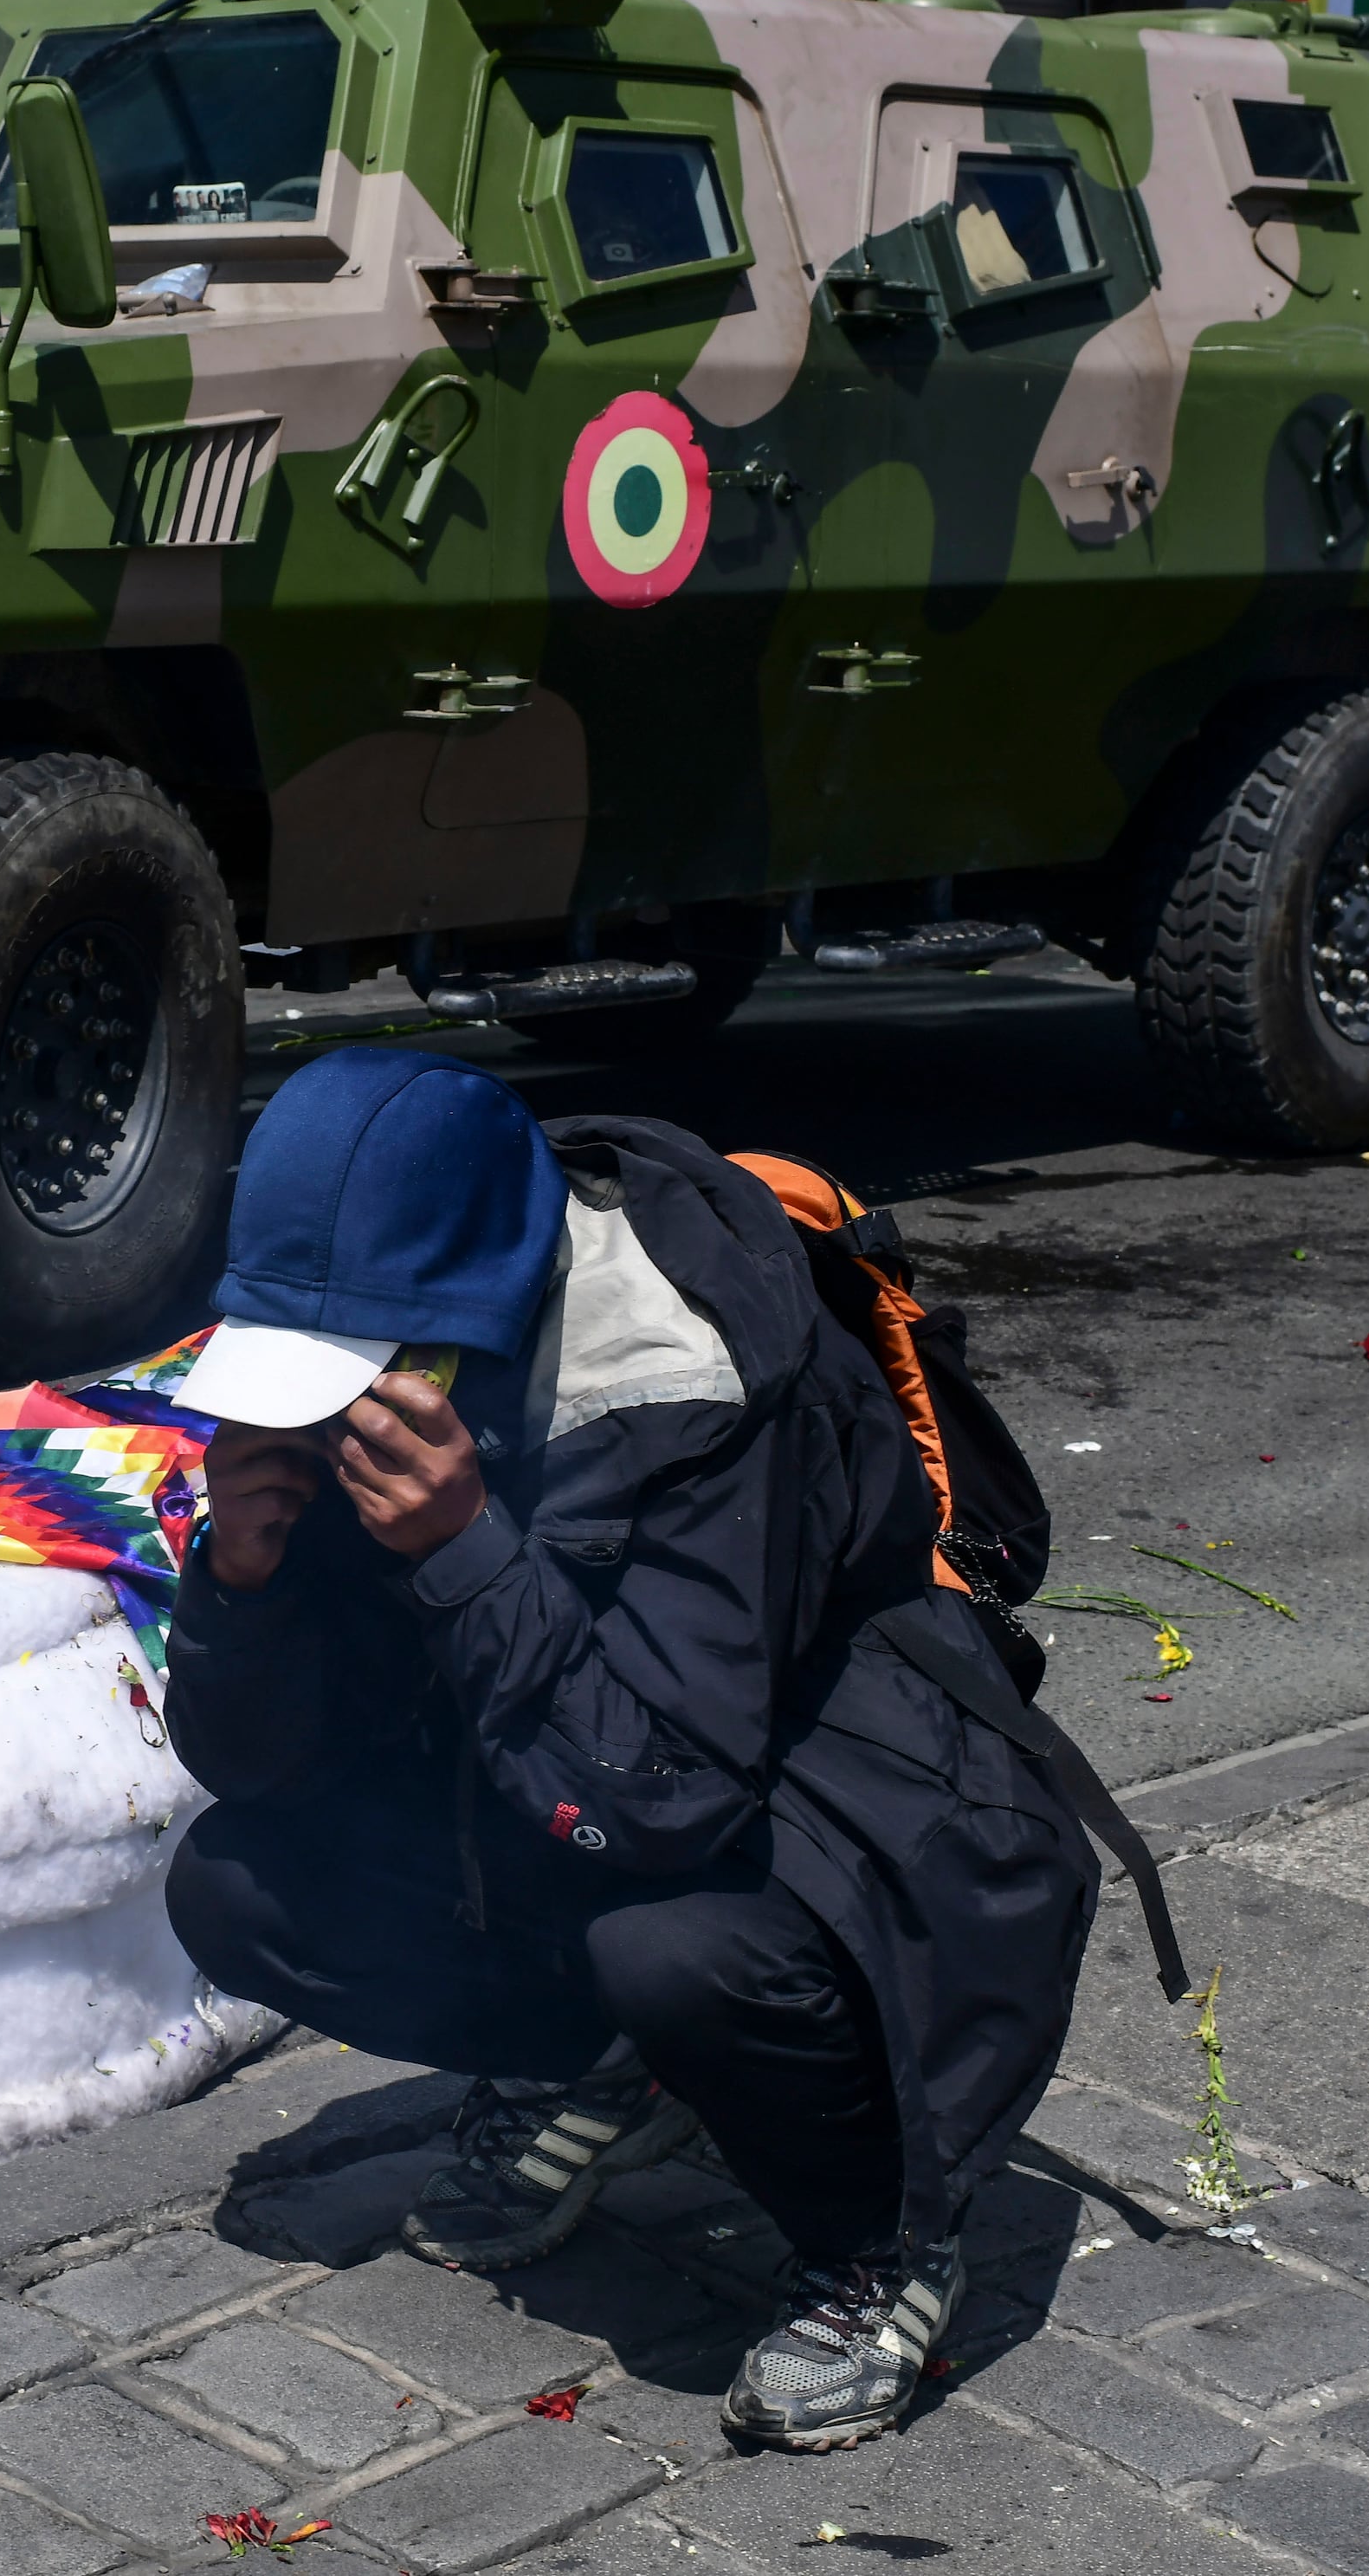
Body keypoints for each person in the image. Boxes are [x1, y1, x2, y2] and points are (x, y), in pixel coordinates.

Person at [157, 1048, 1101, 2456]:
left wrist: (462, 1550)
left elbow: (659, 1789)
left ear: (465, 1308)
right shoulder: (409, 1374)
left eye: (353, 1357)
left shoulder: (686, 1377)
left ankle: (877, 2240)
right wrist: (245, 1574)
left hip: (860, 1840)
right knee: (239, 1882)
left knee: (671, 1950)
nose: (326, 1399)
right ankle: (601, 2068)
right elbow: (266, 1766)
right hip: (571, 1780)